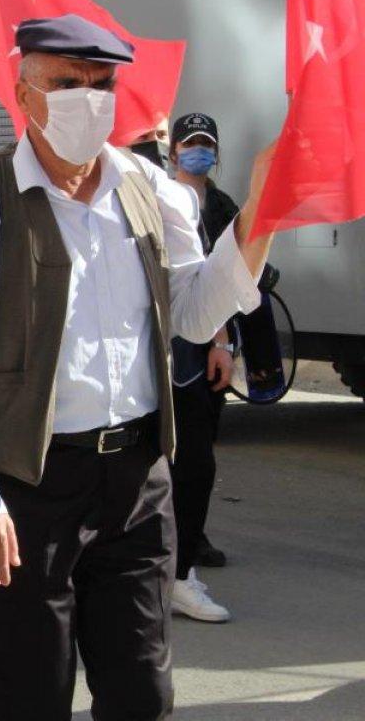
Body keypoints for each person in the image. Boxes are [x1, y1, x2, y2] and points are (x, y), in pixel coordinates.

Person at [0, 14, 274, 720]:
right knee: (30, 697)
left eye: (102, 84)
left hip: (137, 478)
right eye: (66, 83)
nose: (88, 98)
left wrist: (260, 209)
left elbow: (198, 315)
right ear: (24, 95)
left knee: (143, 692)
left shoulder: (150, 186)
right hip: (27, 487)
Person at [166, 112, 240, 623]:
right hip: (142, 357)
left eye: (205, 144)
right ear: (171, 150)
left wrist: (222, 341)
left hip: (192, 355)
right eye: (189, 143)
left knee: (196, 464)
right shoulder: (151, 193)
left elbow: (214, 279)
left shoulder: (220, 204)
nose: (198, 151)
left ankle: (180, 573)